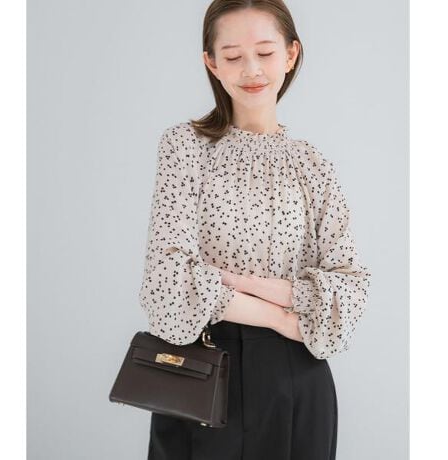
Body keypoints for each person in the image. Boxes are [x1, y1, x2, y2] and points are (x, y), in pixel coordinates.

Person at [139, 1, 372, 459]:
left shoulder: (314, 165)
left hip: (297, 379)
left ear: (291, 54)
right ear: (211, 62)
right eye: (233, 56)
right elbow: (166, 282)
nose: (251, 70)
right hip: (202, 369)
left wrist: (234, 284)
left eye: (265, 52)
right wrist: (282, 315)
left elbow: (350, 290)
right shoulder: (185, 147)